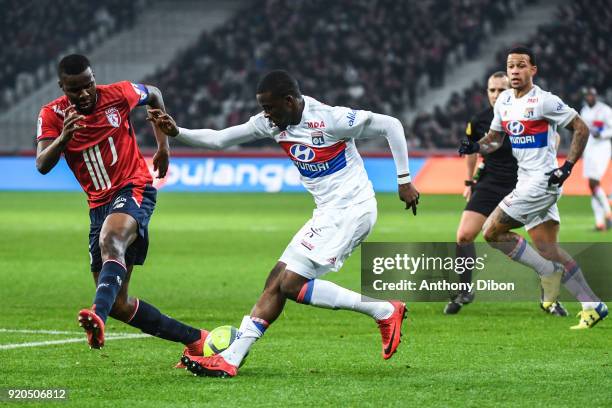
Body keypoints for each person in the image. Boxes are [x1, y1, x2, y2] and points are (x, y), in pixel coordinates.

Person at [148, 70, 420, 377]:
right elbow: (221, 139)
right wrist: (177, 132)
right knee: (276, 279)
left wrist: (404, 180)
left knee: (290, 283)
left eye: (271, 107)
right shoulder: (271, 123)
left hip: (351, 211)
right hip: (327, 213)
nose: (266, 115)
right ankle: (231, 358)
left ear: (290, 101)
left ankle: (383, 310)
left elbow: (391, 125)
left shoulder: (331, 119)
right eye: (263, 108)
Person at [35, 54, 208, 364]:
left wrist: (164, 145)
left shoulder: (118, 94)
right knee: (120, 304)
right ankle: (196, 340)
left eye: (89, 84)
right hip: (98, 205)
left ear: (93, 77)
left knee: (110, 240)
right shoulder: (52, 114)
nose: (85, 93)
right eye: (76, 89)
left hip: (133, 187)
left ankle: (96, 316)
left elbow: (154, 93)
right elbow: (42, 164)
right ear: (63, 87)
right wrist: (63, 138)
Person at [459, 46, 607, 329]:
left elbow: (581, 128)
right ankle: (593, 304)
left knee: (491, 232)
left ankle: (546, 272)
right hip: (525, 179)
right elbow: (495, 139)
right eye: (511, 66)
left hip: (542, 181)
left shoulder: (544, 101)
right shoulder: (503, 101)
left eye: (521, 65)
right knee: (548, 248)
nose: (515, 71)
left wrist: (568, 166)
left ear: (532, 70)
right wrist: (475, 146)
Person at [445, 72, 518, 314]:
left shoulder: (527, 115)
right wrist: (469, 181)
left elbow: (555, 136)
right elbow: (472, 153)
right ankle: (464, 290)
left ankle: (549, 293)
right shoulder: (479, 121)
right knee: (464, 235)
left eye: (501, 90)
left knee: (542, 240)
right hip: (489, 183)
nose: (496, 95)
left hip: (522, 184)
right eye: (492, 90)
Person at [580, 87, 612, 231]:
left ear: (596, 96)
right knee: (592, 186)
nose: (589, 97)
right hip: (589, 149)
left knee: (594, 182)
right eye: (587, 95)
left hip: (602, 148)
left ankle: (608, 213)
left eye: (592, 95)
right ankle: (600, 222)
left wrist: (603, 134)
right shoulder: (584, 111)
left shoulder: (605, 110)